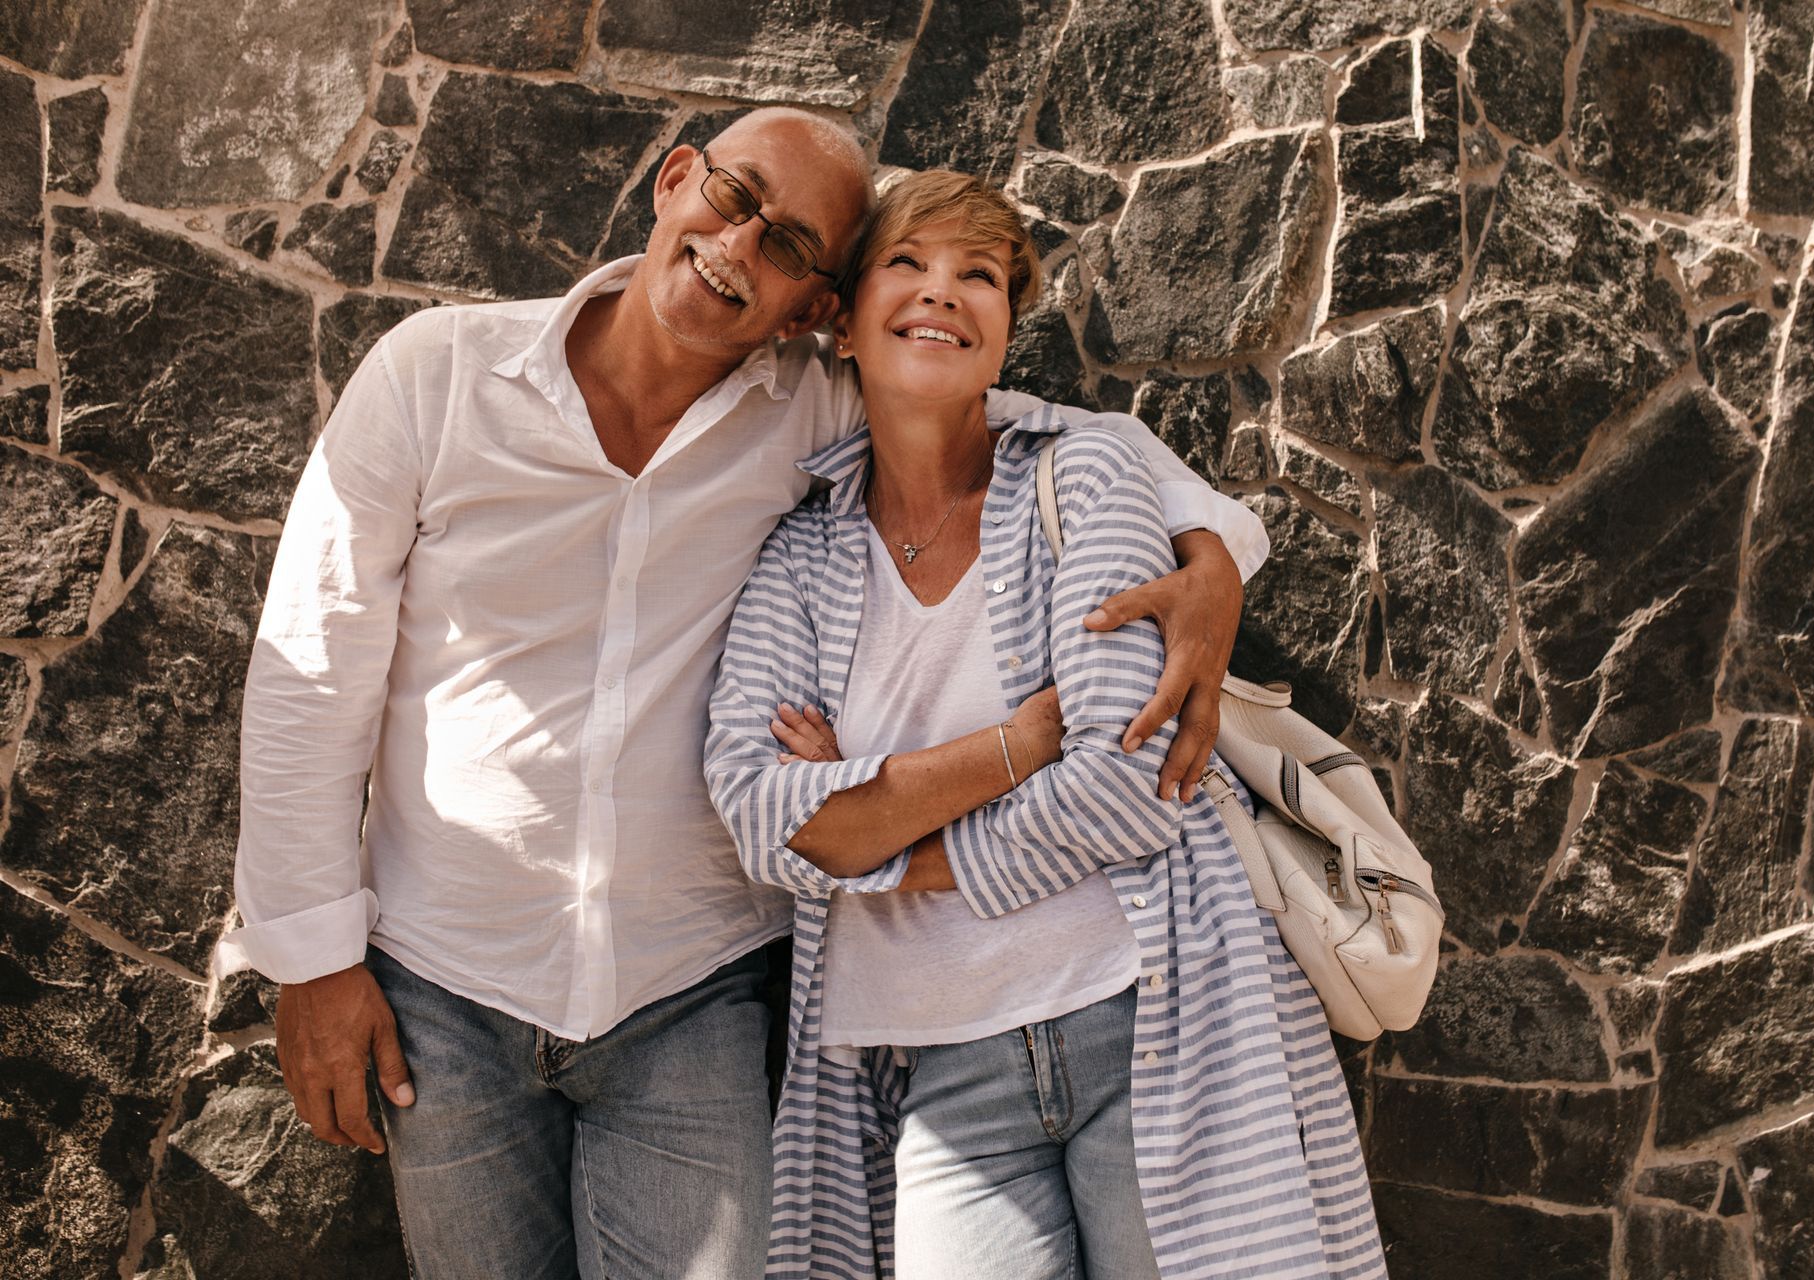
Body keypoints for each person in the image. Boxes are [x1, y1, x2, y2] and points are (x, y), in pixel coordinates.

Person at [216, 109, 1269, 1278]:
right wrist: (312, 962)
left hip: (687, 996)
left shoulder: (813, 416)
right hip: (444, 981)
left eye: (790, 248)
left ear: (816, 309)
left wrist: (1211, 550)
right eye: (733, 198)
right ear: (676, 181)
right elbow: (312, 671)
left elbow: (1001, 418)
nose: (740, 245)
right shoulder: (436, 376)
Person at [705, 170, 1386, 1279]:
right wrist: (1022, 744)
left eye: (980, 275)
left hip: (1153, 1017)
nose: (944, 293)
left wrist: (876, 825)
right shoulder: (800, 557)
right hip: (938, 1071)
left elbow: (1129, 778)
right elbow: (765, 821)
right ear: (842, 316)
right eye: (909, 264)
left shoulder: (1089, 474)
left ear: (1007, 326)